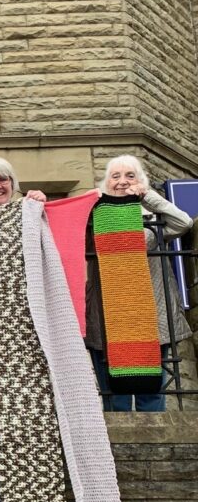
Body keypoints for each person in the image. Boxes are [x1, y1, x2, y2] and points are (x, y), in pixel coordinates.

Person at [87, 154, 194, 412]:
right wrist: (87, 204)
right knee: (115, 397)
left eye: (130, 176)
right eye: (116, 176)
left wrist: (148, 197)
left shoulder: (151, 217)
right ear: (106, 183)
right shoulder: (94, 217)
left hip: (150, 316)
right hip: (108, 317)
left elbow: (184, 222)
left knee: (151, 394)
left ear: (141, 181)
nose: (122, 182)